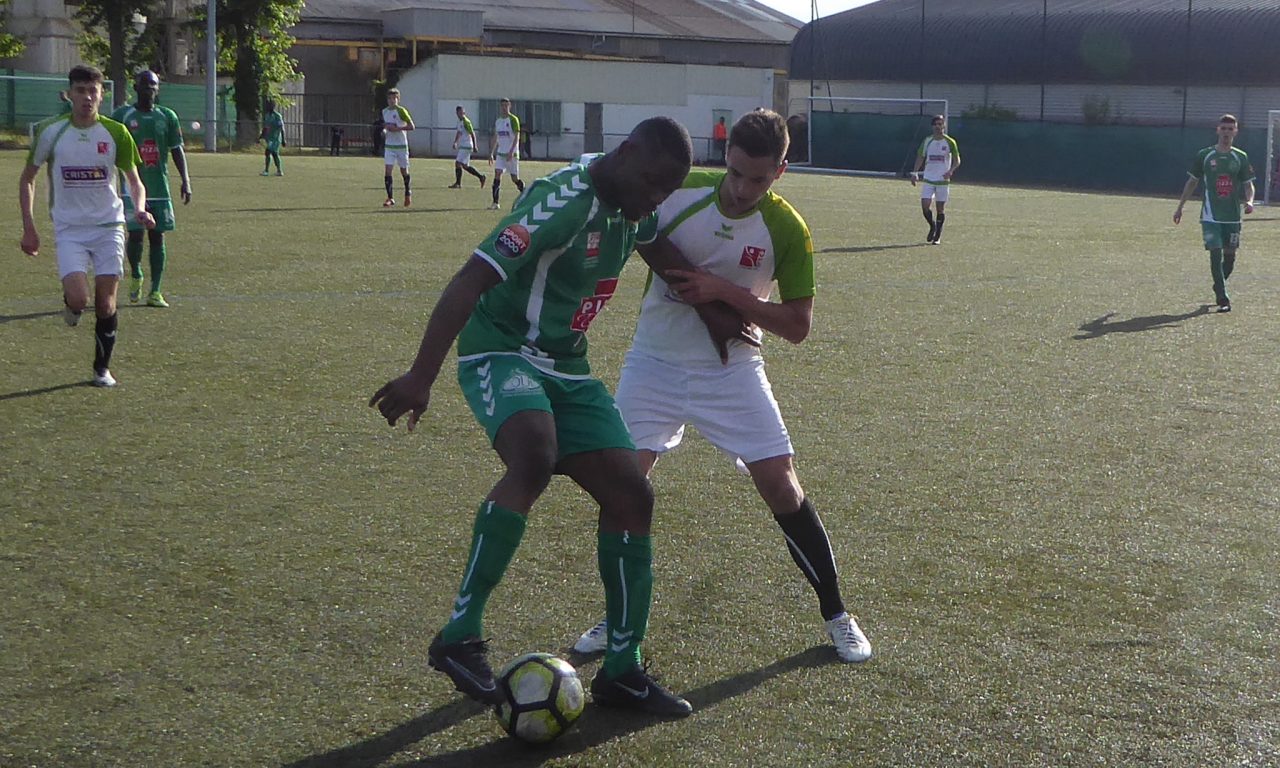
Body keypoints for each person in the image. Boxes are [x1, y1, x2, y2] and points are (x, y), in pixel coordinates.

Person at [369, 116, 699, 717]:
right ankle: (459, 635)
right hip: (501, 350)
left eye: (665, 191)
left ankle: (622, 671)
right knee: (535, 457)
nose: (655, 199)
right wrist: (422, 376)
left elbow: (663, 253)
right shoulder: (559, 203)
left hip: (568, 368)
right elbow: (471, 279)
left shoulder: (633, 205)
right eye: (651, 182)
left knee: (633, 495)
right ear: (625, 154)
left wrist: (727, 305)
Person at [571, 109, 872, 665]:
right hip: (654, 364)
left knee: (782, 485)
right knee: (622, 488)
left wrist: (722, 293)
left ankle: (837, 614)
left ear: (780, 172)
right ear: (725, 156)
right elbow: (621, 204)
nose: (740, 189)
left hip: (731, 369)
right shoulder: (680, 189)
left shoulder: (787, 228)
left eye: (757, 179)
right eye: (734, 172)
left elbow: (798, 328)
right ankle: (615, 620)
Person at [18, 64, 155, 388]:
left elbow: (134, 181)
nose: (87, 97)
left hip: (109, 225)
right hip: (70, 229)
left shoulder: (116, 132)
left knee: (106, 303)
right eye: (80, 91)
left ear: (101, 95)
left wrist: (138, 208)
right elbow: (28, 179)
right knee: (79, 298)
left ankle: (101, 369)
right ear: (70, 94)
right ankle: (71, 304)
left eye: (92, 91)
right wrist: (29, 227)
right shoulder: (51, 131)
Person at [111, 70, 192, 308]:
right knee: (135, 233)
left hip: (159, 187)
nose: (150, 89)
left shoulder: (167, 116)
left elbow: (177, 149)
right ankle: (136, 273)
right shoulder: (122, 115)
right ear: (136, 88)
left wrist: (185, 180)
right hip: (131, 187)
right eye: (145, 85)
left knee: (158, 235)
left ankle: (155, 291)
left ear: (158, 89)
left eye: (154, 86)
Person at [1173, 114, 1256, 313]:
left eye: (1230, 129)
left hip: (1233, 216)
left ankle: (1218, 284)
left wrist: (1250, 201)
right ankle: (1223, 297)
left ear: (1235, 131)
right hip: (1210, 215)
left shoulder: (1240, 157)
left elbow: (1248, 184)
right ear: (1217, 130)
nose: (1226, 132)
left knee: (1229, 259)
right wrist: (1180, 207)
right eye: (1223, 128)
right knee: (1215, 252)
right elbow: (1192, 181)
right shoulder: (1205, 155)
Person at [910, 115, 960, 244]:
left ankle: (937, 235)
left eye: (940, 124)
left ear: (944, 126)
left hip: (942, 181)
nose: (938, 127)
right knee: (925, 206)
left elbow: (957, 160)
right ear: (932, 126)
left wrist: (950, 171)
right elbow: (920, 156)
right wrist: (915, 172)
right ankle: (932, 226)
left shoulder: (950, 142)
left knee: (940, 209)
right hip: (928, 179)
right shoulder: (927, 140)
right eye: (936, 124)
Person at [487, 97, 524, 210]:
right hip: (501, 154)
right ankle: (495, 202)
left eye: (506, 105)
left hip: (512, 155)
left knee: (514, 178)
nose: (504, 108)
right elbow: (495, 137)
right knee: (497, 173)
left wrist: (511, 151)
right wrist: (491, 153)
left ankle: (525, 192)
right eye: (502, 105)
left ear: (510, 106)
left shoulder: (513, 119)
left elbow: (517, 137)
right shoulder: (498, 121)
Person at [381, 87, 415, 207]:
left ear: (398, 99)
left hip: (401, 146)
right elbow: (386, 124)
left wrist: (397, 129)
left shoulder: (401, 111)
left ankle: (407, 192)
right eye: (390, 98)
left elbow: (412, 126)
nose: (392, 100)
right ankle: (390, 198)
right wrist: (385, 129)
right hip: (389, 146)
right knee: (388, 171)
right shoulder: (384, 111)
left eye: (394, 98)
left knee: (404, 171)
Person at [448, 105, 486, 189]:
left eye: (463, 112)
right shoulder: (459, 122)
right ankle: (481, 177)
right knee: (465, 166)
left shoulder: (466, 121)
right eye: (460, 112)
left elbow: (472, 133)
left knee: (458, 163)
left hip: (467, 145)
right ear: (457, 113)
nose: (462, 114)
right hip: (463, 146)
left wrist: (475, 145)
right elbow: (459, 133)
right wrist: (455, 142)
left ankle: (458, 184)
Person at [260, 100, 285, 176]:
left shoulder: (277, 116)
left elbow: (281, 128)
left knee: (268, 152)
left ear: (273, 106)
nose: (267, 107)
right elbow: (266, 127)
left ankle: (266, 171)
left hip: (276, 138)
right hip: (269, 138)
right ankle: (279, 171)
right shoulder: (267, 116)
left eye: (269, 106)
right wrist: (261, 136)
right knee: (275, 154)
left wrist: (284, 139)